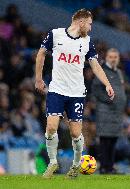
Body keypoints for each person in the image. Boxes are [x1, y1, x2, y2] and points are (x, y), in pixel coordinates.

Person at [34, 9, 115, 179]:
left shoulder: (87, 41)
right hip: (56, 89)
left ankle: (76, 165)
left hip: (77, 93)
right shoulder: (55, 35)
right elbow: (41, 54)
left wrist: (107, 83)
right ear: (81, 22)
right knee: (50, 127)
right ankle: (52, 162)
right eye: (90, 24)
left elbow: (95, 65)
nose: (91, 28)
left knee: (76, 133)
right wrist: (39, 78)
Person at [91, 48, 126, 174]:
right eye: (111, 57)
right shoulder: (102, 71)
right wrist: (110, 99)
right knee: (105, 140)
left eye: (115, 57)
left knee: (113, 140)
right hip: (105, 111)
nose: (113, 59)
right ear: (106, 58)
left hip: (117, 113)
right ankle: (104, 168)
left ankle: (110, 167)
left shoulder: (119, 72)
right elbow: (96, 90)